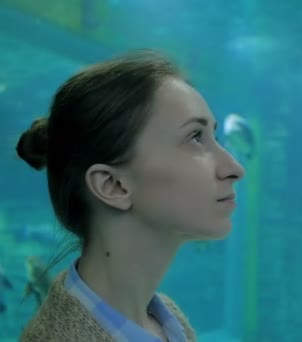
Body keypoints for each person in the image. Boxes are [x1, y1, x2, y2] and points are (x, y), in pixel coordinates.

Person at [15, 49, 245, 342]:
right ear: (112, 186)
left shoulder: (168, 322)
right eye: (195, 137)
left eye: (214, 136)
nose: (235, 168)